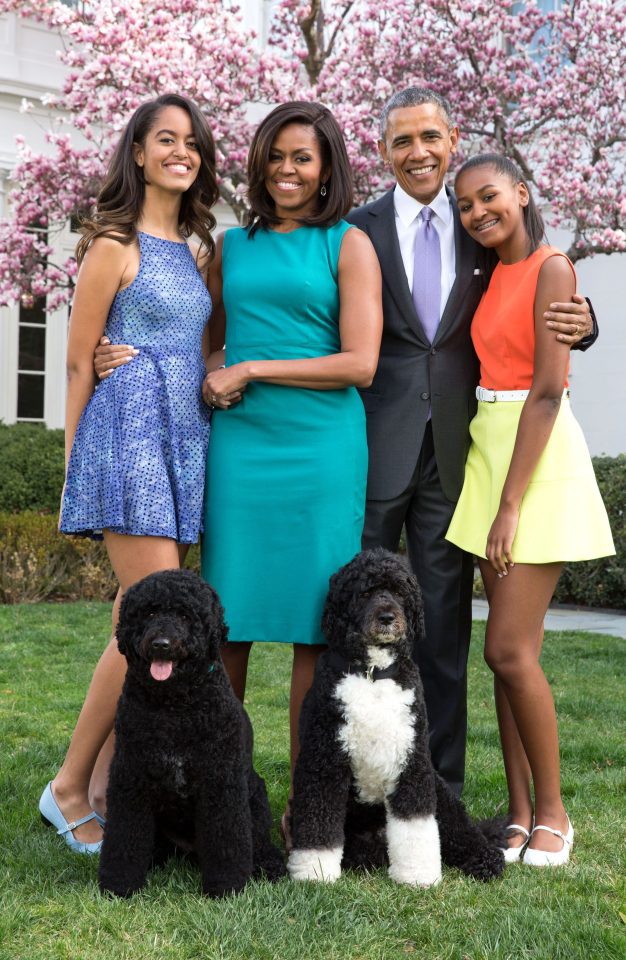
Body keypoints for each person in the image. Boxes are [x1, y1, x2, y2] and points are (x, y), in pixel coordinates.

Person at [347, 87, 597, 796]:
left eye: (429, 137)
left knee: (444, 631)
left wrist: (586, 320)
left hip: (461, 458)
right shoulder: (357, 230)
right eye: (401, 141)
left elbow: (538, 292)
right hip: (373, 445)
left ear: (452, 140)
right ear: (384, 151)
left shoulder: (480, 223)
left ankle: (439, 791)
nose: (417, 152)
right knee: (352, 621)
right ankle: (354, 783)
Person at [40, 93, 218, 853]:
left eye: (191, 142)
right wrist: (77, 463)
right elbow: (80, 359)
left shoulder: (201, 248)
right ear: (138, 153)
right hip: (128, 435)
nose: (181, 151)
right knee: (147, 613)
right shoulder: (112, 243)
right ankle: (71, 786)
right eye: (164, 140)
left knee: (134, 617)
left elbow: (199, 346)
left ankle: (107, 783)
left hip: (185, 435)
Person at [200, 101, 382, 843]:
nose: (286, 170)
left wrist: (254, 366)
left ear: (327, 166)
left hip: (321, 450)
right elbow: (207, 345)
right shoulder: (229, 247)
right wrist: (217, 368)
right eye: (275, 155)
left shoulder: (350, 244)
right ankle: (220, 808)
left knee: (316, 630)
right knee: (225, 625)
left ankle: (308, 813)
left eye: (302, 157)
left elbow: (360, 363)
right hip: (242, 450)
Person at [445, 153, 614, 865]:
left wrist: (509, 506)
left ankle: (554, 813)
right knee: (510, 658)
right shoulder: (488, 272)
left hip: (533, 456)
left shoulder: (552, 266)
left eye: (489, 197)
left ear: (522, 191)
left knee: (506, 649)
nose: (478, 212)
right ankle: (517, 814)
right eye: (465, 206)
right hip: (489, 446)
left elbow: (547, 391)